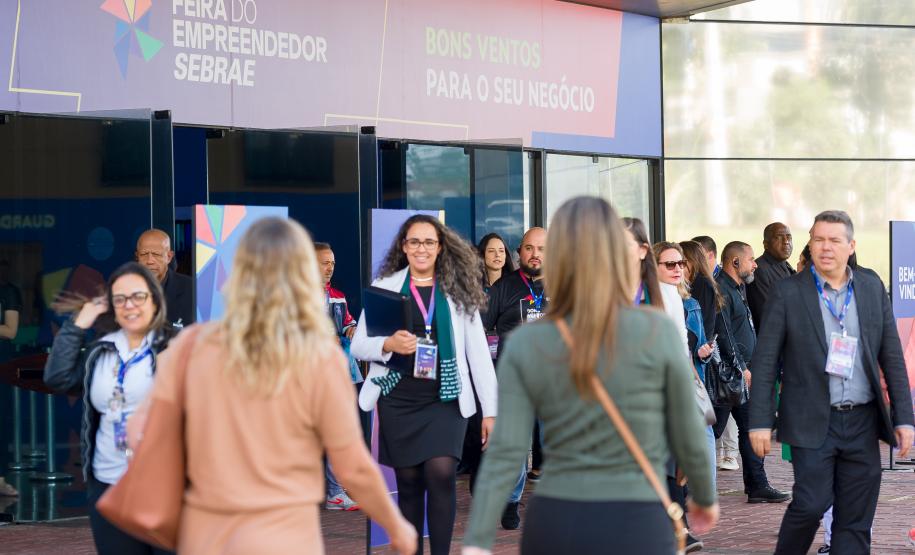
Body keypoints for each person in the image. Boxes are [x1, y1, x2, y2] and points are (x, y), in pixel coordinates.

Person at [462, 197, 718, 555]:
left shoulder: (528, 341)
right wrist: (705, 496)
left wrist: (477, 538)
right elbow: (687, 425)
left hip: (557, 515)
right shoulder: (655, 329)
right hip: (637, 513)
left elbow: (508, 449)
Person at [148, 218, 416, 554]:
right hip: (286, 532)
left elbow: (149, 434)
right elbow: (353, 464)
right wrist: (394, 523)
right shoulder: (320, 357)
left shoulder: (192, 346)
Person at [749, 210, 915, 555]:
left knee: (855, 518)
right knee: (811, 503)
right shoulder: (788, 292)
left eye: (834, 240)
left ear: (850, 246)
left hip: (862, 422)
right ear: (810, 244)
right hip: (811, 420)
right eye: (818, 239)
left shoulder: (870, 287)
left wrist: (903, 417)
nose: (826, 247)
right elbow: (765, 362)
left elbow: (892, 357)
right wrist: (760, 421)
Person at [352, 214, 497, 555]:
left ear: (440, 247)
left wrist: (491, 411)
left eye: (429, 242)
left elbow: (478, 354)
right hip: (399, 397)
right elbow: (360, 343)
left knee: (442, 472)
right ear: (404, 246)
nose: (422, 248)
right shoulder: (386, 286)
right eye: (414, 241)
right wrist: (387, 344)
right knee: (410, 482)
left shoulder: (458, 290)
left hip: (445, 397)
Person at [43, 262, 178, 555]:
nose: (130, 305)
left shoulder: (173, 347)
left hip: (163, 489)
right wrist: (79, 323)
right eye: (120, 298)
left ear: (154, 299)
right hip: (108, 486)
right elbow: (57, 377)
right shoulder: (100, 350)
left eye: (138, 296)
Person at [477, 227, 547, 529]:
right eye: (529, 248)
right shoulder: (503, 288)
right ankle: (510, 500)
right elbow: (480, 331)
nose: (535, 254)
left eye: (542, 249)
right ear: (520, 252)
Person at [714, 241, 789, 503]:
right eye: (751, 259)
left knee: (749, 427)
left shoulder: (737, 288)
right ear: (735, 263)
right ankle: (682, 485)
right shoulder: (721, 289)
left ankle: (758, 485)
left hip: (741, 375)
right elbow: (724, 334)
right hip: (731, 376)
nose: (755, 263)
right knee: (712, 428)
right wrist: (742, 366)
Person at [654, 241, 717, 553]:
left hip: (678, 390)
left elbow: (682, 351)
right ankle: (676, 529)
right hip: (659, 396)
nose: (678, 269)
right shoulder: (655, 301)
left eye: (680, 263)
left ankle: (678, 529)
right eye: (669, 264)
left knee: (675, 465)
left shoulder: (679, 299)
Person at [314, 242, 362, 511]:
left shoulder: (338, 295)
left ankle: (334, 491)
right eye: (324, 262)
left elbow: (347, 322)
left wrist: (352, 330)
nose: (330, 267)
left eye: (332, 263)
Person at [135, 230, 194, 328]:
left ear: (169, 257)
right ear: (137, 257)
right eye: (144, 254)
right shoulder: (125, 289)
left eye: (157, 254)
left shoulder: (191, 290)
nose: (150, 261)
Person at [0, 259, 22, 498]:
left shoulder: (8, 292)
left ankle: (1, 479)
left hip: (1, 365)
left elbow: (11, 330)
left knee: (1, 422)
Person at [746, 222, 795, 328]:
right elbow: (768, 313)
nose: (786, 242)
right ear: (766, 244)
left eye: (789, 237)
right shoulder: (759, 269)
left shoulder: (785, 265)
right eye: (779, 237)